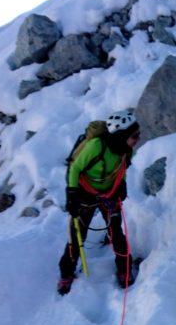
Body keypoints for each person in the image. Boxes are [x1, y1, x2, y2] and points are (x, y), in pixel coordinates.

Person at [57, 110, 140, 295]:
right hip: (84, 193)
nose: (138, 138)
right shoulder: (96, 145)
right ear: (121, 135)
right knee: (77, 235)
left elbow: (122, 168)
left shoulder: (126, 150)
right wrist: (71, 194)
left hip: (110, 194)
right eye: (134, 135)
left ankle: (124, 269)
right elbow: (75, 168)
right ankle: (66, 273)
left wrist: (122, 185)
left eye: (137, 134)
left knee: (116, 232)